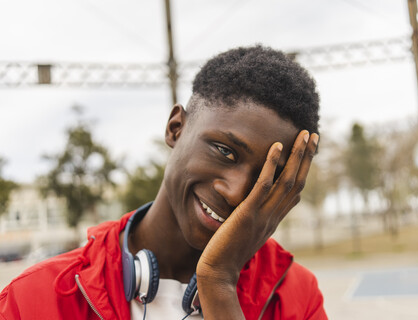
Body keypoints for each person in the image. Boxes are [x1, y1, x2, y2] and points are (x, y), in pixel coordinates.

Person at [0, 45, 328, 319]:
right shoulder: (33, 300)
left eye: (265, 178)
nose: (236, 192)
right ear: (176, 128)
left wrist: (218, 284)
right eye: (225, 151)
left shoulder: (296, 299)